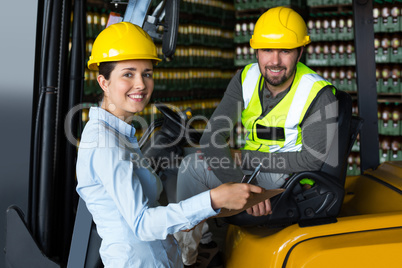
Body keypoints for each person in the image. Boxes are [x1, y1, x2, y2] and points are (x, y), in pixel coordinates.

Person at [75, 21, 265, 268]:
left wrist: (195, 213)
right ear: (103, 82)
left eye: (147, 73)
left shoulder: (120, 135)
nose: (141, 84)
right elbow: (142, 224)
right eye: (128, 74)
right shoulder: (105, 143)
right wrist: (213, 199)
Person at [174, 6, 338, 267]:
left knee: (215, 163)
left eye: (285, 51)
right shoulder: (246, 79)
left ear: (300, 52)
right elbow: (212, 138)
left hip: (290, 178)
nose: (274, 61)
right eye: (266, 50)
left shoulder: (318, 93)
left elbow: (311, 161)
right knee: (192, 165)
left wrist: (248, 169)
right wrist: (241, 184)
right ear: (256, 51)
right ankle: (193, 253)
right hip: (251, 171)